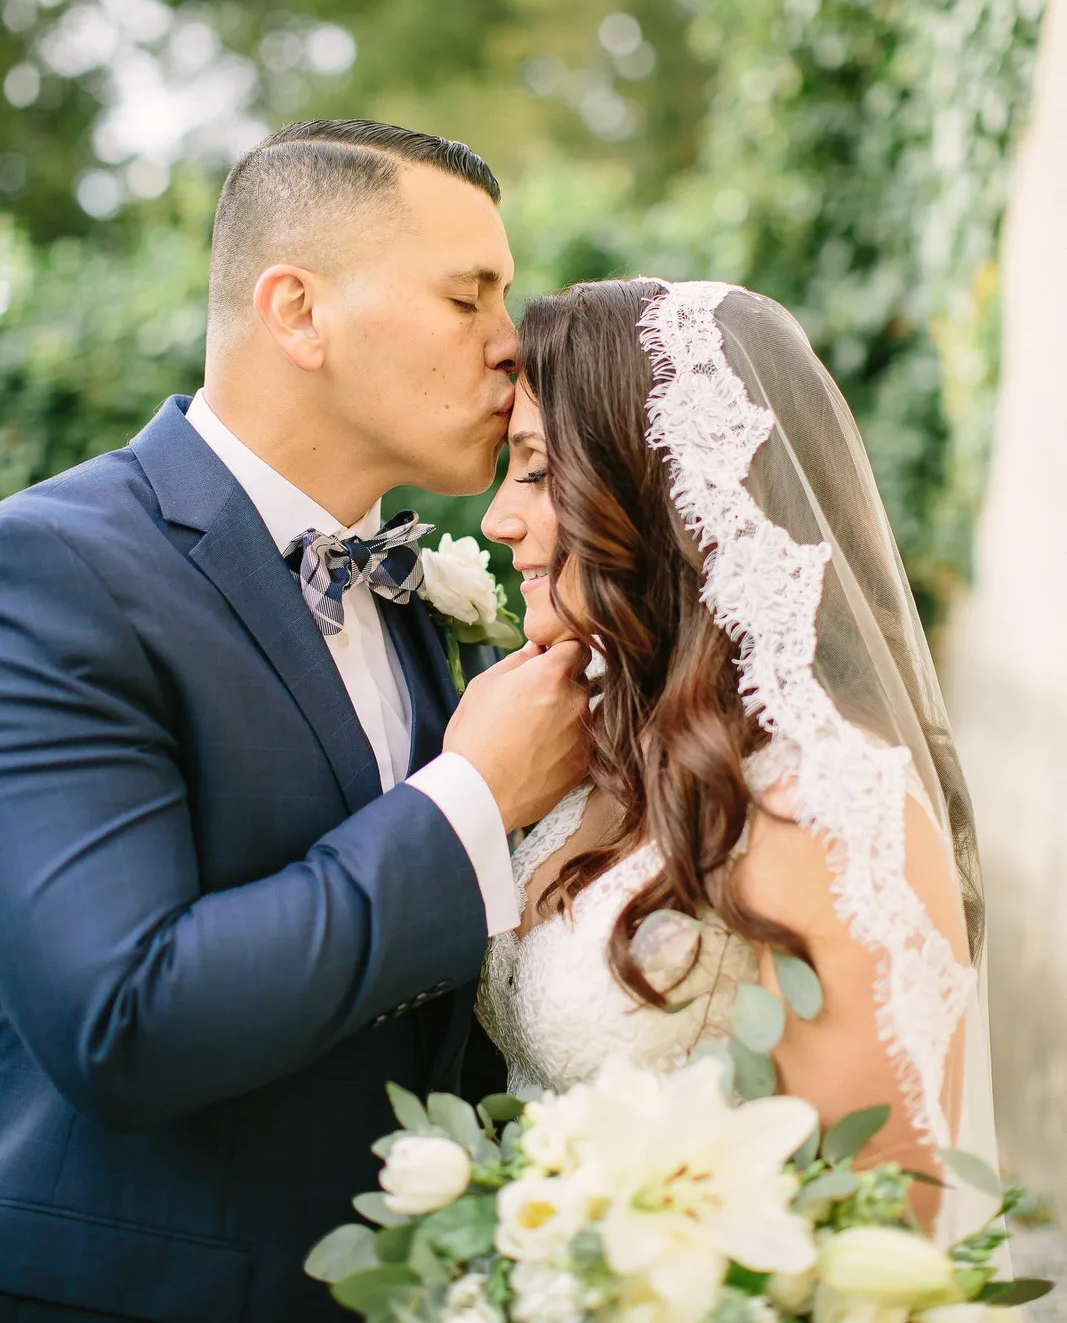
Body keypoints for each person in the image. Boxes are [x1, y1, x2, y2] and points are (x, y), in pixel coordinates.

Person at [0, 120, 589, 1323]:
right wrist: (470, 798)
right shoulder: (51, 569)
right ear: (297, 311)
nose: (508, 344)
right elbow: (124, 1018)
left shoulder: (425, 591)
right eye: (467, 295)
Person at [479, 277, 998, 1247]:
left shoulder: (827, 809)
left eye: (538, 472)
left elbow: (877, 1233)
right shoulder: (580, 759)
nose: (496, 521)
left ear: (656, 490)